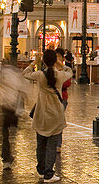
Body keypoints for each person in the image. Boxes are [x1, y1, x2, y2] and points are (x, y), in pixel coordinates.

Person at [24, 48, 71, 183]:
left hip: (42, 113)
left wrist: (34, 62)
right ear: (55, 61)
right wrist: (59, 63)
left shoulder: (39, 75)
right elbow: (69, 71)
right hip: (56, 113)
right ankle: (49, 173)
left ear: (44, 61)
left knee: (41, 143)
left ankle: (41, 169)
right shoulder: (60, 75)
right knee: (52, 144)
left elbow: (25, 73)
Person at [0, 64, 27, 170]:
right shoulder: (17, 76)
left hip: (4, 108)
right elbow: (22, 94)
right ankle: (7, 156)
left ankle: (6, 157)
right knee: (10, 135)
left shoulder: (1, 76)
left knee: (4, 135)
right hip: (13, 109)